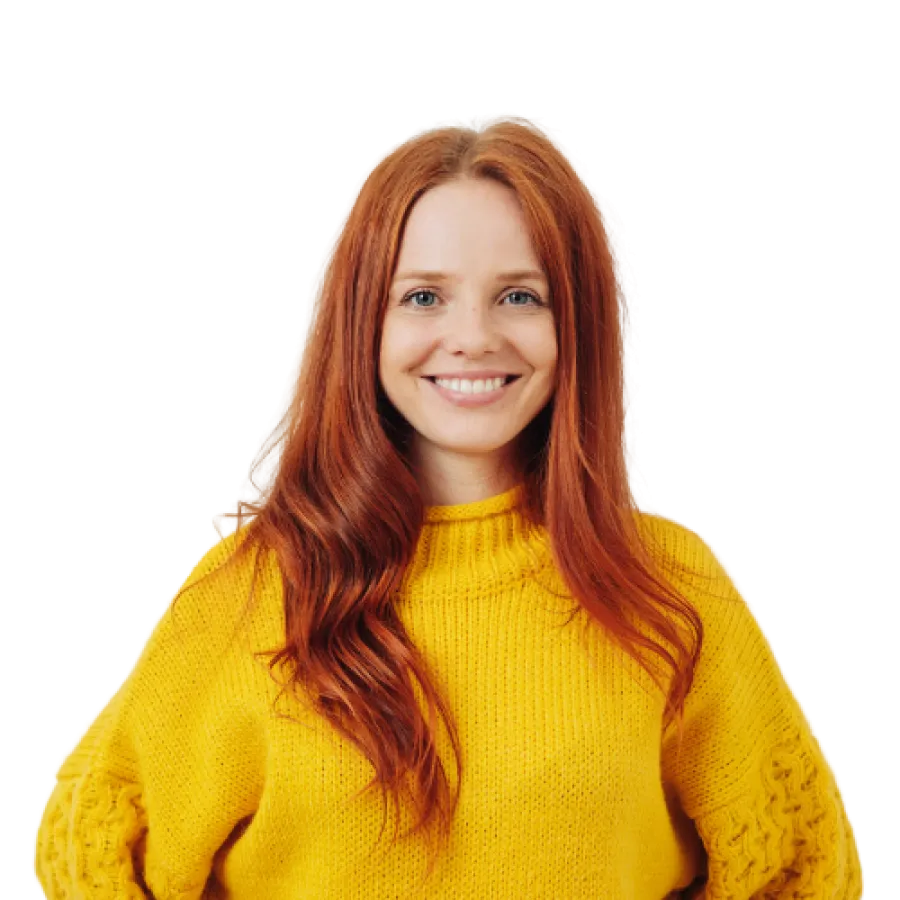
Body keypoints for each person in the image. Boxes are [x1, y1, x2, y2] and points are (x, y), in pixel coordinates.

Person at [32, 112, 865, 898]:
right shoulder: (245, 591)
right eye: (423, 296)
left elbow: (802, 870)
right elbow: (90, 859)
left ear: (574, 323)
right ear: (365, 322)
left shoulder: (675, 589)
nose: (472, 336)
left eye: (521, 295)